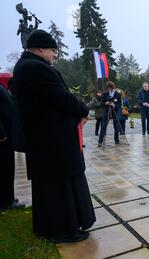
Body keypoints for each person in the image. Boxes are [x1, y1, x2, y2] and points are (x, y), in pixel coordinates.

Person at [13, 30, 95, 243]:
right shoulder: (37, 68)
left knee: (50, 187)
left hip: (44, 139)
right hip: (53, 140)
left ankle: (51, 227)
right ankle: (64, 230)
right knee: (60, 186)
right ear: (40, 48)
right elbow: (63, 98)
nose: (55, 54)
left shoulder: (25, 67)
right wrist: (84, 110)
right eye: (52, 50)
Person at [0, 75, 25, 211]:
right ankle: (5, 201)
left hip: (7, 135)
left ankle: (7, 197)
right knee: (4, 169)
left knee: (8, 169)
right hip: (3, 138)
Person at [98, 81, 122, 147]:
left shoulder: (118, 94)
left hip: (115, 112)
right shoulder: (105, 94)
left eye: (112, 88)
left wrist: (114, 105)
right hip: (106, 112)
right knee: (103, 126)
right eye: (109, 88)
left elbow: (120, 104)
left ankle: (117, 140)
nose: (110, 90)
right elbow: (102, 103)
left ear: (113, 87)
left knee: (116, 127)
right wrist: (106, 103)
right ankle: (100, 141)